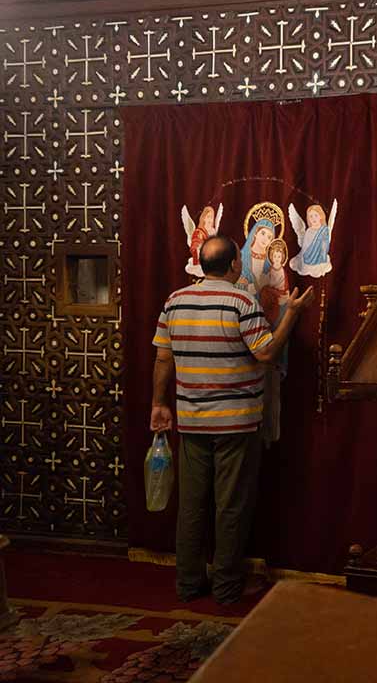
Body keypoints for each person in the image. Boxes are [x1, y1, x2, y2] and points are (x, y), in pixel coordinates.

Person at [150, 236, 313, 605]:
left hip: (191, 421)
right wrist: (293, 313)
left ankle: (188, 583)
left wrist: (159, 404)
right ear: (235, 265)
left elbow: (163, 359)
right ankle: (226, 587)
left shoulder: (175, 301)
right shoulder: (241, 301)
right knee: (231, 504)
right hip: (236, 423)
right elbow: (267, 352)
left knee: (191, 505)